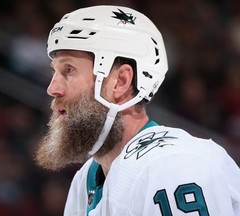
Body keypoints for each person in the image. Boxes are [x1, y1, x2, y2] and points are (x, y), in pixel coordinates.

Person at [35, 5, 240, 216]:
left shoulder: (171, 164)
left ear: (120, 82)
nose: (52, 88)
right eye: (55, 72)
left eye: (68, 70)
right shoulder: (85, 180)